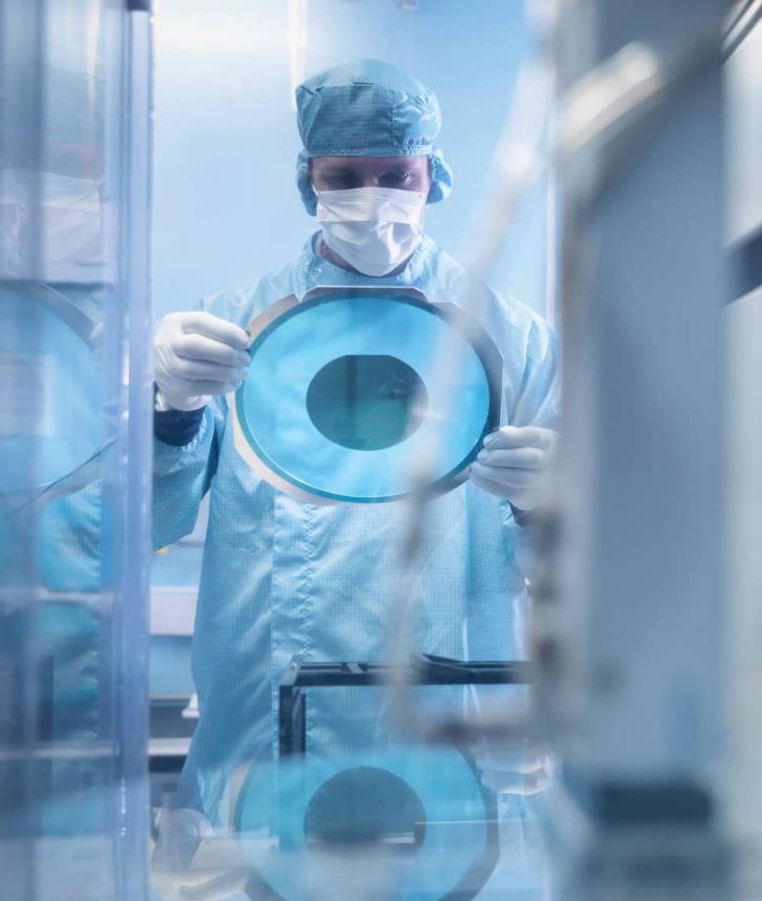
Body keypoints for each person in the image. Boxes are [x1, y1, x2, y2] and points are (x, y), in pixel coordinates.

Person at [152, 58, 559, 897]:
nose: (371, 198)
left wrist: (546, 505)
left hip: (454, 736)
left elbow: (576, 573)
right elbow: (150, 522)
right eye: (344, 176)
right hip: (268, 730)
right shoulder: (238, 328)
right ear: (309, 180)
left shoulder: (509, 340)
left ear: (431, 177)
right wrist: (171, 410)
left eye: (394, 175)